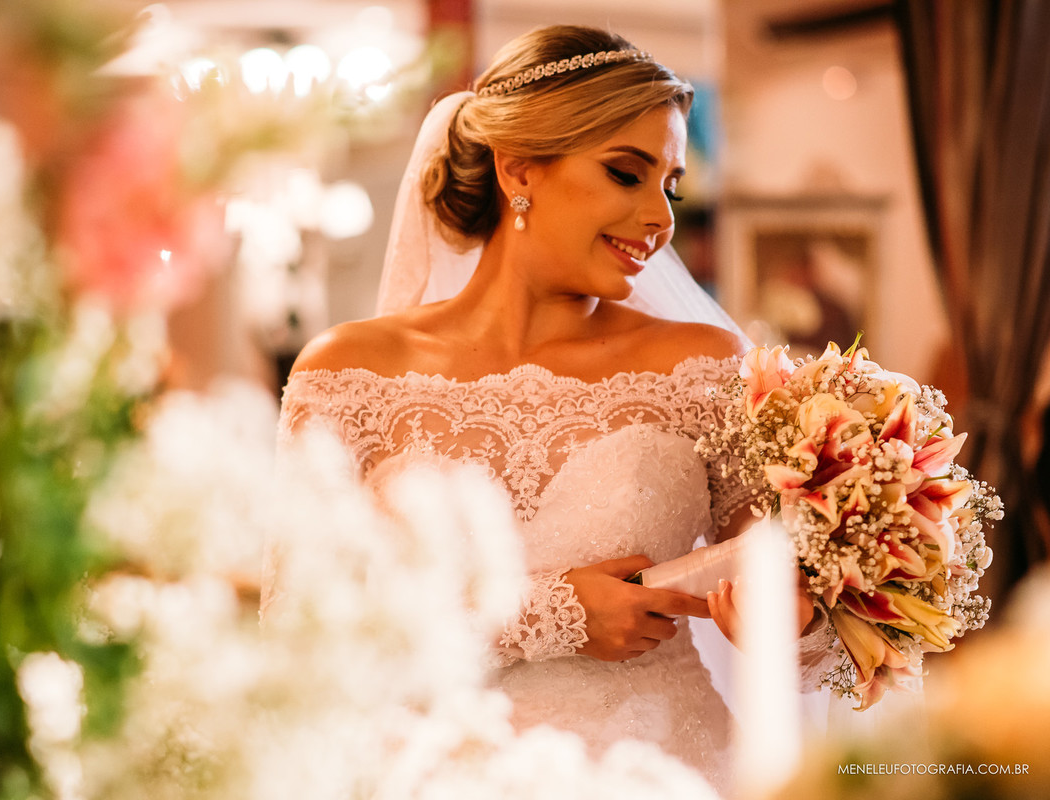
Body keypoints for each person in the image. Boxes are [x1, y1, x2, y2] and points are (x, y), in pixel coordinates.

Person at [277, 24, 823, 794]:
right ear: (518, 168)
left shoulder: (702, 366)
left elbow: (782, 590)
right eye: (627, 174)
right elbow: (300, 634)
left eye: (670, 184)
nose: (661, 219)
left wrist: (793, 617)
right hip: (427, 774)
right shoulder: (347, 373)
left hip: (666, 769)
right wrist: (549, 615)